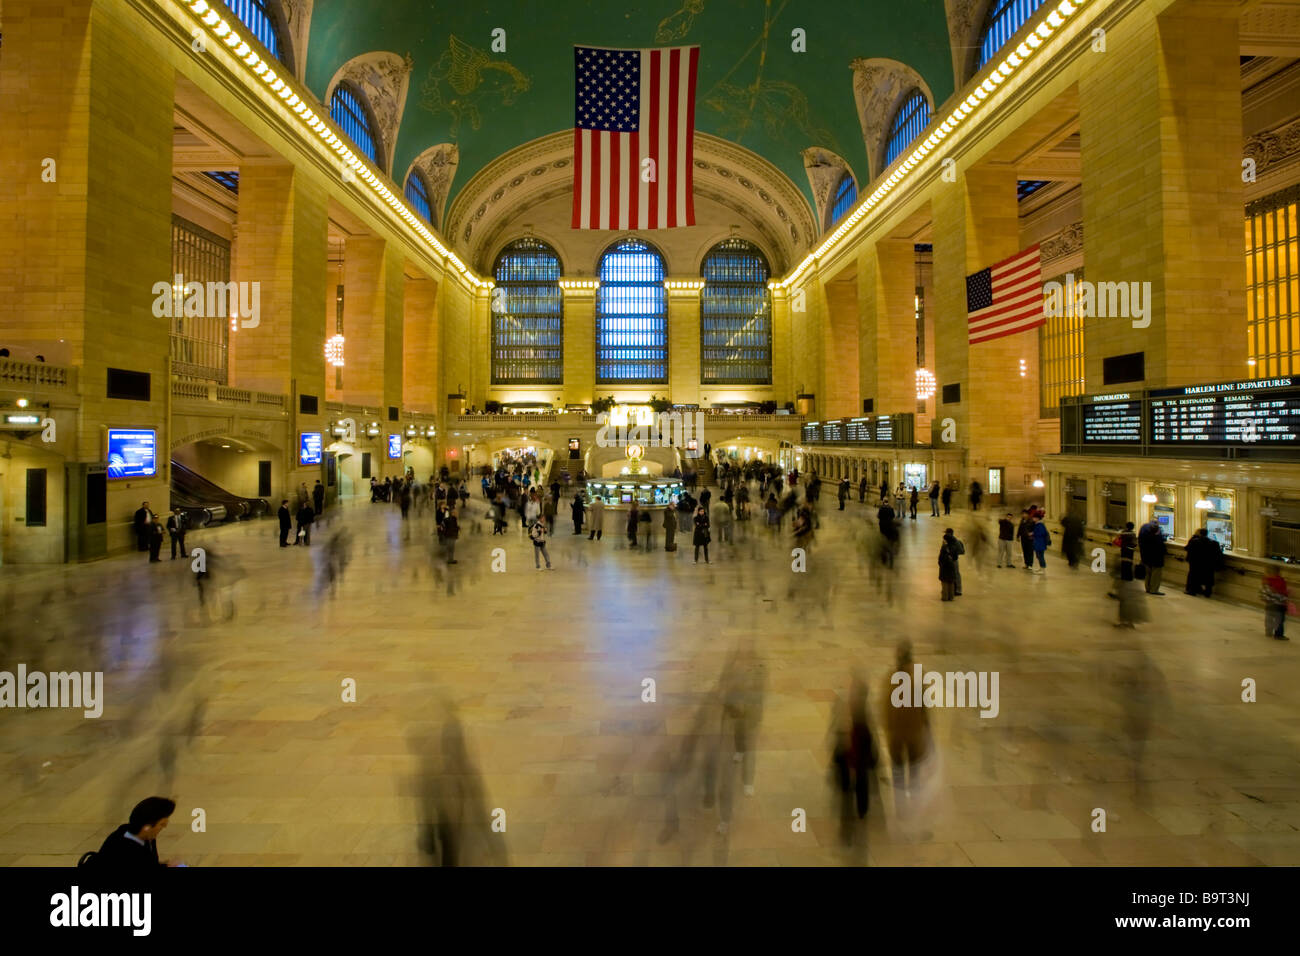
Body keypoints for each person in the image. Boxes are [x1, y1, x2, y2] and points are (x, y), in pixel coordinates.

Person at [86, 797, 178, 869]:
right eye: (162, 824)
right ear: (147, 828)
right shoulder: (124, 848)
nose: (165, 827)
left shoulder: (143, 837)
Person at [1184, 529, 1223, 597]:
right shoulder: (1214, 543)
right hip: (1209, 564)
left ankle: (1192, 591)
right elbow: (1218, 554)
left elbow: (1187, 548)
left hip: (1196, 564)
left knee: (1194, 577)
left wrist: (1193, 537)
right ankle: (1208, 592)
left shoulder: (1194, 542)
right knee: (1209, 578)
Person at [1137, 518, 1167, 594]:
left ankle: (1148, 588)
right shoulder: (1156, 535)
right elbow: (1161, 545)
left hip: (1145, 555)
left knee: (1148, 573)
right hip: (1156, 557)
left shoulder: (1144, 528)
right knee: (1156, 574)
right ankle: (1154, 590)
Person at [1261, 570, 1291, 641]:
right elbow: (1281, 594)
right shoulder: (1279, 581)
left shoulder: (1265, 584)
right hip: (1279, 606)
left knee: (1269, 619)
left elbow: (1263, 595)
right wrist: (1285, 599)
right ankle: (1278, 634)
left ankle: (1268, 632)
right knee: (1279, 621)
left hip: (1269, 605)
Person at [944, 527, 965, 595]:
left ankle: (958, 590)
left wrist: (954, 553)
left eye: (946, 533)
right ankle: (953, 589)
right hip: (950, 560)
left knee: (956, 574)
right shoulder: (948, 541)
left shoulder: (955, 541)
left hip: (954, 560)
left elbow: (961, 551)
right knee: (953, 574)